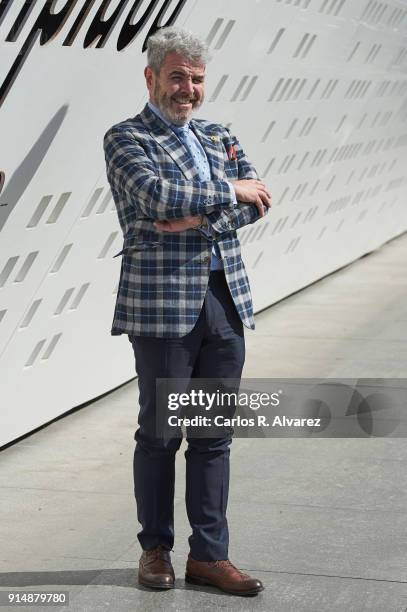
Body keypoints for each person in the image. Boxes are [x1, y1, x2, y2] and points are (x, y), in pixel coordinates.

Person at [103, 26, 271, 596]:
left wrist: (197, 218)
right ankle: (155, 550)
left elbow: (259, 202)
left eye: (196, 79)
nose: (188, 88)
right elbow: (156, 198)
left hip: (224, 303)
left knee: (213, 436)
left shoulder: (219, 134)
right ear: (151, 78)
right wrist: (229, 194)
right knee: (159, 433)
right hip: (162, 309)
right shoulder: (126, 138)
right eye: (177, 76)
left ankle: (210, 557)